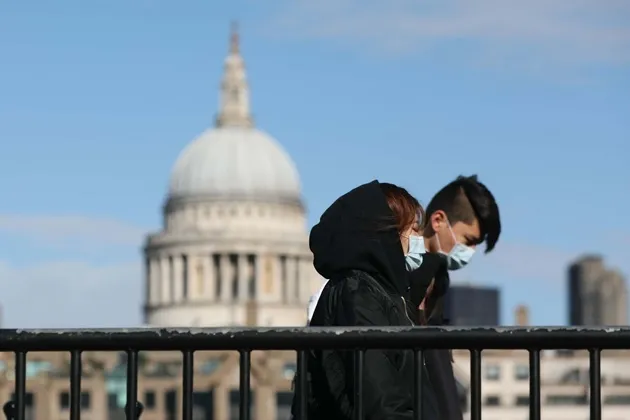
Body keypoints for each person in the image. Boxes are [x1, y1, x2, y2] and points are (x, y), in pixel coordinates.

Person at [292, 180, 441, 420]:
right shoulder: (357, 292)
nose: (419, 238)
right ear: (386, 232)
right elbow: (379, 397)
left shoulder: (385, 295)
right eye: (413, 228)